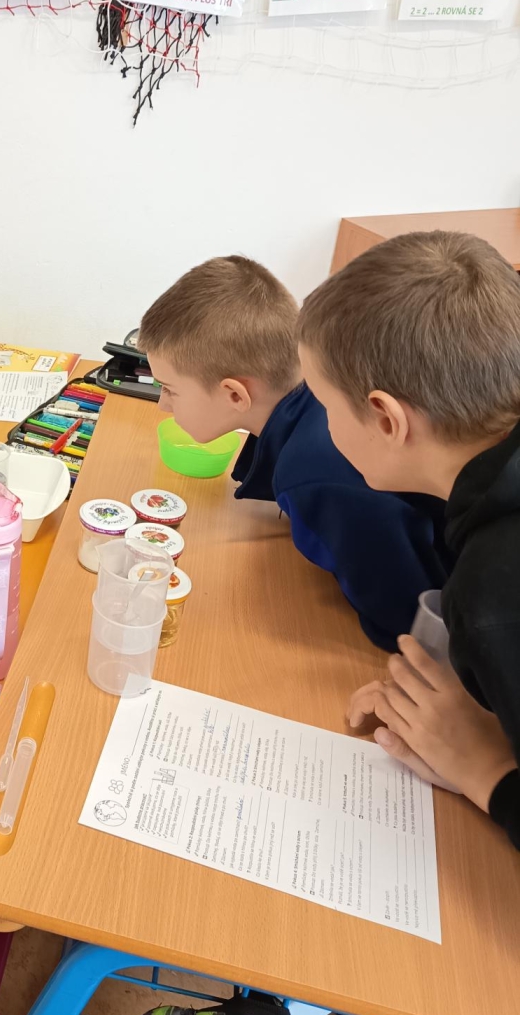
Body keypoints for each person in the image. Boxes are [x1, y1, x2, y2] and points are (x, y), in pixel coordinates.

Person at [296, 231, 520, 847]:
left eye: (324, 406)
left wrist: (489, 772)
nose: (323, 426)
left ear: (386, 418)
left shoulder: (496, 589)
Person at [137, 255, 449, 651]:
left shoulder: (314, 474)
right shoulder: (318, 401)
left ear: (235, 395)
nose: (163, 405)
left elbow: (407, 626)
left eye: (170, 389)